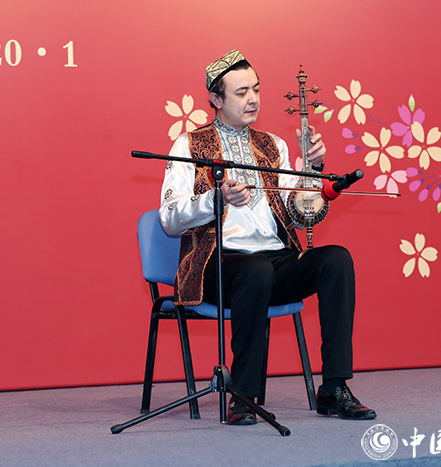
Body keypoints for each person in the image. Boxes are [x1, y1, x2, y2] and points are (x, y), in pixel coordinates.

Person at [159, 49, 376, 425]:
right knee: (255, 270)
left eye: (256, 89)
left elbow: (301, 215)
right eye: (241, 92)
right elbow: (168, 219)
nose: (253, 99)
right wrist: (216, 199)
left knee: (336, 259)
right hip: (219, 265)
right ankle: (244, 396)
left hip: (276, 261)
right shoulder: (189, 146)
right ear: (216, 99)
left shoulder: (273, 145)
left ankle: (334, 388)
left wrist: (314, 171)